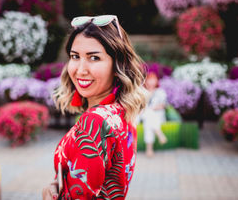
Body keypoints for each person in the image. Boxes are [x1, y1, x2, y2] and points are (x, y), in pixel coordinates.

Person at [42, 15, 148, 200]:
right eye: (75, 56)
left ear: (117, 65)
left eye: (94, 58)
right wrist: (60, 183)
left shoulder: (96, 121)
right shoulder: (122, 112)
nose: (81, 69)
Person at [140, 72, 168, 158]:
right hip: (142, 114)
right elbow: (139, 105)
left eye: (154, 79)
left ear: (157, 81)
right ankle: (159, 133)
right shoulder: (142, 91)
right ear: (146, 80)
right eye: (150, 79)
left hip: (157, 115)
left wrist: (151, 108)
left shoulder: (160, 92)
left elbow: (163, 105)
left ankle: (149, 149)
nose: (152, 82)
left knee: (148, 121)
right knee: (147, 113)